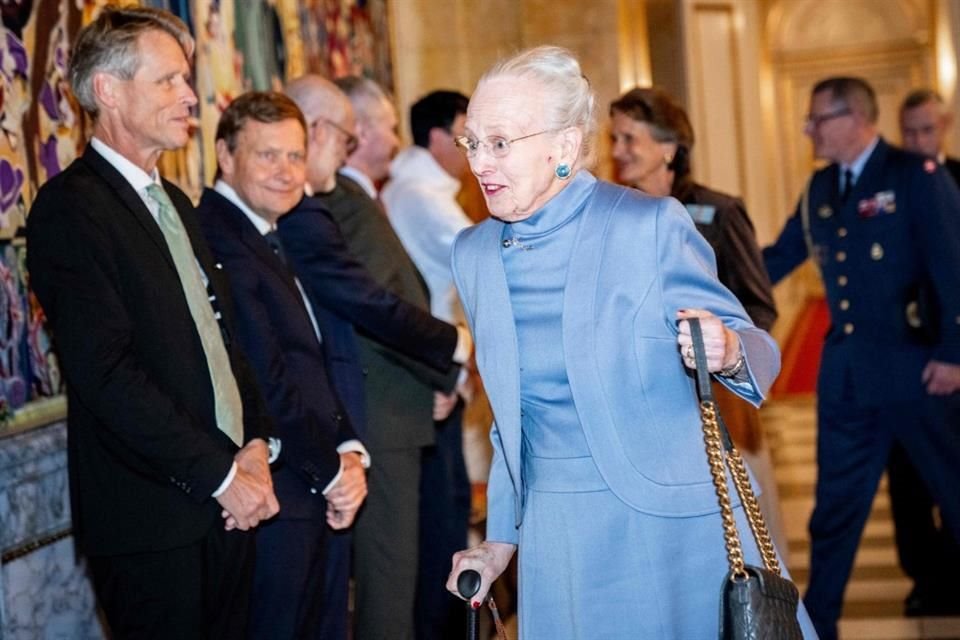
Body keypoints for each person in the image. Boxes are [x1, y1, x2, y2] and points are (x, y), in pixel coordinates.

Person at [444, 45, 816, 639]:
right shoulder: (474, 254)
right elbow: (512, 420)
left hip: (667, 524)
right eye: (472, 143)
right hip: (556, 531)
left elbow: (757, 344)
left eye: (500, 143)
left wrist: (727, 349)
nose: (480, 163)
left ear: (565, 146)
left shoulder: (648, 225)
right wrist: (500, 541)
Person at [25, 7, 279, 639]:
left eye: (186, 79)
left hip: (226, 505)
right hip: (153, 523)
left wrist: (254, 445)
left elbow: (221, 340)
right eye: (168, 80)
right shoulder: (70, 209)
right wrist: (222, 476)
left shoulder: (177, 205)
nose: (190, 96)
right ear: (108, 91)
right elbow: (107, 374)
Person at [763, 76, 960, 640]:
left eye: (817, 119)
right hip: (848, 379)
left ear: (855, 118)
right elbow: (777, 259)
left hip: (920, 373)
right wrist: (701, 279)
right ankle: (817, 626)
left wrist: (954, 354)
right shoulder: (820, 189)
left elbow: (952, 266)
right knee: (834, 514)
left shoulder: (915, 175)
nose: (808, 130)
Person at [282, 74, 463, 640]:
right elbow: (372, 304)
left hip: (391, 405)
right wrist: (447, 363)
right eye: (357, 130)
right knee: (387, 580)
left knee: (397, 573)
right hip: (379, 409)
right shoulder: (331, 202)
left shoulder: (346, 197)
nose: (369, 139)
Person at [196, 91, 370, 638]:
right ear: (226, 155)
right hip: (277, 489)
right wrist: (331, 469)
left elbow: (311, 357)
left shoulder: (266, 232)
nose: (287, 171)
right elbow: (265, 375)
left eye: (296, 156)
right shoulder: (219, 237)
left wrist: (348, 450)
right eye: (267, 155)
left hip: (307, 482)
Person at [608, 86, 787, 551]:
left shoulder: (719, 212)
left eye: (629, 139)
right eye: (614, 139)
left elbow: (759, 306)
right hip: (648, 401)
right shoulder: (615, 217)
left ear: (668, 147)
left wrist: (725, 352)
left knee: (740, 534)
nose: (617, 151)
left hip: (719, 396)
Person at [381, 89, 474, 640]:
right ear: (438, 137)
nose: (472, 146)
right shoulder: (419, 194)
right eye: (465, 134)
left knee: (448, 511)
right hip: (431, 373)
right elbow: (479, 259)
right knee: (442, 518)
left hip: (440, 368)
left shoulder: (424, 189)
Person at [888, 87, 960, 616]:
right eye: (908, 131)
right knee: (908, 478)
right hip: (906, 356)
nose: (917, 141)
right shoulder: (889, 186)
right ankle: (926, 578)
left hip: (953, 350)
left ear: (946, 127)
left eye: (926, 130)